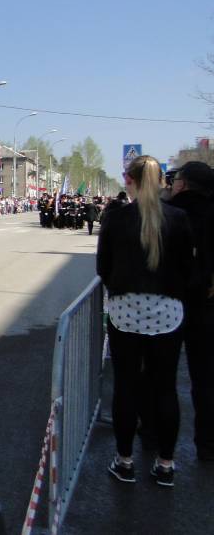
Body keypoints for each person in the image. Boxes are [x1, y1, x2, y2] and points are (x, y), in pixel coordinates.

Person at [98, 155, 193, 487]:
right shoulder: (178, 218)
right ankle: (165, 464)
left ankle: (124, 462)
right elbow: (186, 268)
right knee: (165, 388)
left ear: (130, 180)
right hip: (168, 310)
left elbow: (103, 268)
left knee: (126, 385)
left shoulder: (117, 218)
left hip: (126, 309)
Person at [166, 161, 214, 461]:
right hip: (206, 306)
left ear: (183, 184)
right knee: (206, 379)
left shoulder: (168, 213)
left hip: (166, 303)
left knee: (161, 379)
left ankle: (156, 445)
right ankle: (207, 446)